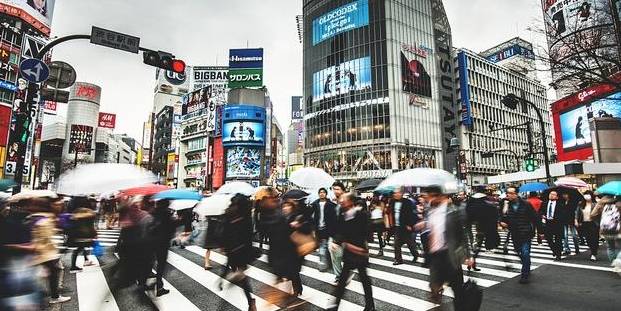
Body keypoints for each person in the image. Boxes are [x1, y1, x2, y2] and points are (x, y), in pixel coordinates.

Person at [415, 186, 472, 309]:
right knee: (434, 290)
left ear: (439, 196)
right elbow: (430, 229)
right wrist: (423, 225)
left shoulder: (452, 211)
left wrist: (469, 255)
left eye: (431, 196)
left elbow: (462, 235)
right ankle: (439, 294)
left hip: (450, 255)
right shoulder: (429, 211)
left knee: (458, 290)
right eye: (428, 196)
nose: (429, 199)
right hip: (434, 256)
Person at [327, 193, 375, 311]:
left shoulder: (362, 215)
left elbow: (368, 233)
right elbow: (340, 231)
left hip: (360, 253)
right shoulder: (342, 215)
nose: (342, 201)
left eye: (344, 199)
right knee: (343, 281)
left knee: (364, 280)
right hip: (349, 253)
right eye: (341, 199)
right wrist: (337, 241)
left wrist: (362, 247)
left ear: (351, 202)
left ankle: (370, 305)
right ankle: (335, 305)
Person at [29, 196, 72, 304]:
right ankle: (54, 296)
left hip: (37, 252)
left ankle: (45, 295)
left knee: (47, 273)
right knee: (53, 272)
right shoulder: (45, 220)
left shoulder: (33, 217)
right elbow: (46, 239)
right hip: (45, 252)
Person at [500, 187, 544, 284]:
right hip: (514, 233)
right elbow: (503, 217)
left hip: (526, 232)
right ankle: (526, 263)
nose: (509, 195)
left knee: (525, 252)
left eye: (511, 193)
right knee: (519, 252)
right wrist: (502, 223)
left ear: (516, 194)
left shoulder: (526, 204)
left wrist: (540, 232)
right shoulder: (506, 205)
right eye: (508, 193)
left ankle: (524, 274)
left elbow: (535, 218)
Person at [220, 194, 256, 311]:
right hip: (235, 250)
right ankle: (251, 302)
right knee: (240, 277)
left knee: (241, 278)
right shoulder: (232, 215)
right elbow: (225, 233)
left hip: (239, 252)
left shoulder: (243, 218)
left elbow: (248, 237)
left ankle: (251, 302)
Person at [465, 186, 499, 271]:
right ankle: (473, 261)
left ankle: (472, 262)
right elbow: (493, 211)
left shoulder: (471, 200)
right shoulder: (486, 199)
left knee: (478, 243)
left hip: (478, 224)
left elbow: (467, 212)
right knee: (486, 241)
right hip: (488, 224)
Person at [149, 199, 176, 296]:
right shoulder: (168, 214)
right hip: (163, 243)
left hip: (151, 241)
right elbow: (172, 229)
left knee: (150, 261)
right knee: (161, 264)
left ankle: (142, 282)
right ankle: (159, 286)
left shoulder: (152, 213)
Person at [389, 186, 419, 265]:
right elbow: (391, 212)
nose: (395, 194)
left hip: (405, 226)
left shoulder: (407, 202)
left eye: (397, 193)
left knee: (410, 244)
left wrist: (409, 224)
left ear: (401, 193)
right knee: (396, 244)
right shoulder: (392, 201)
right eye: (394, 193)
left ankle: (415, 254)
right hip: (397, 227)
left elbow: (410, 214)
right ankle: (398, 259)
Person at [590, 194, 621, 270]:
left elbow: (592, 215)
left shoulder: (602, 202)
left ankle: (614, 265)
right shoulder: (619, 202)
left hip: (605, 229)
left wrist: (600, 222)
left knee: (610, 247)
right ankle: (618, 261)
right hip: (618, 229)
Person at [67, 197, 97, 273]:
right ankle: (73, 266)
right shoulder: (89, 212)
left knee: (79, 248)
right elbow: (90, 225)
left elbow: (72, 223)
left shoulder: (75, 212)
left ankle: (84, 261)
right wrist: (94, 234)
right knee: (79, 249)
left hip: (77, 234)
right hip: (85, 234)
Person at [310, 188, 337, 271]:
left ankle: (324, 265)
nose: (322, 194)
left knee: (325, 247)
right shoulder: (315, 204)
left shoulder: (331, 204)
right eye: (320, 192)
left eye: (323, 192)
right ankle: (326, 264)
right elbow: (310, 215)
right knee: (323, 246)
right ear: (318, 194)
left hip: (328, 228)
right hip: (318, 228)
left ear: (326, 194)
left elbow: (334, 217)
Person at [541, 190, 566, 261]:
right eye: (550, 194)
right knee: (548, 239)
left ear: (557, 197)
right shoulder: (544, 203)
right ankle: (555, 250)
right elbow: (540, 211)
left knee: (558, 239)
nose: (551, 195)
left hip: (557, 223)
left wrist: (556, 218)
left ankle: (558, 255)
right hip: (548, 223)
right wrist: (542, 215)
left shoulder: (560, 205)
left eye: (553, 194)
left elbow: (563, 215)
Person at [329, 181, 345, 284]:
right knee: (335, 256)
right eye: (334, 189)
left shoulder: (346, 201)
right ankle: (339, 276)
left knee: (342, 256)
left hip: (345, 234)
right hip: (336, 234)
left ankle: (342, 275)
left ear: (343, 190)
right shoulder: (334, 202)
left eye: (338, 189)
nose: (335, 191)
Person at [576, 191, 599, 261]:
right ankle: (592, 250)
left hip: (593, 223)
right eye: (585, 195)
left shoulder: (595, 204)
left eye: (588, 195)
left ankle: (593, 253)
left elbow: (599, 214)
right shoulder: (581, 204)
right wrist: (576, 220)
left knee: (594, 239)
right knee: (588, 239)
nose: (587, 196)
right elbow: (577, 213)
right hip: (584, 224)